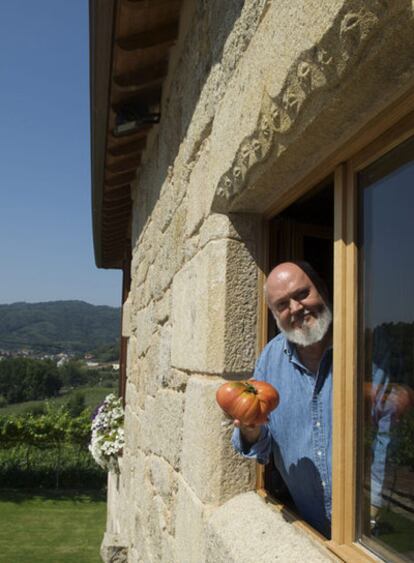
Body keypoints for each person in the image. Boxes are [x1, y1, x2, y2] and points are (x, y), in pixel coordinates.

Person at [231, 261, 333, 537]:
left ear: (321, 289)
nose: (296, 308)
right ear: (275, 315)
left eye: (302, 294)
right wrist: (251, 430)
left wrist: (374, 505)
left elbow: (387, 431)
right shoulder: (270, 359)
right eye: (282, 305)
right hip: (310, 530)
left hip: (370, 535)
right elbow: (263, 448)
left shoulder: (359, 345)